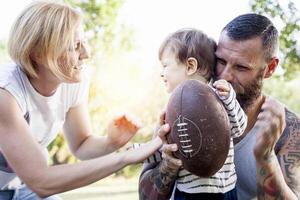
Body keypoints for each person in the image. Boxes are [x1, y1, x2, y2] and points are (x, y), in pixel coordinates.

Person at [0, 1, 167, 199]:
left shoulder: (72, 81)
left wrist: (110, 143)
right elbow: (41, 181)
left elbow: (80, 145)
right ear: (38, 53)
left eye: (84, 42)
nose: (86, 54)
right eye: (74, 46)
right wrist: (124, 158)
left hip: (21, 187)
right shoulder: (6, 93)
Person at [139, 13, 300, 200]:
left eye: (241, 67)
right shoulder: (179, 112)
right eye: (221, 61)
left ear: (270, 68)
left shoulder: (288, 128)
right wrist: (169, 164)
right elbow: (144, 196)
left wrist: (265, 157)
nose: (225, 75)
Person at [140, 28, 247, 199]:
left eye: (165, 65)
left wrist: (229, 100)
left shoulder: (218, 97)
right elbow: (164, 148)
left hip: (226, 191)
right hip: (189, 193)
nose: (161, 73)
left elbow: (239, 128)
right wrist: (137, 153)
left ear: (190, 66)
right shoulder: (169, 111)